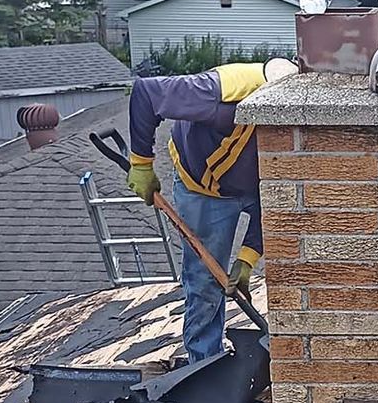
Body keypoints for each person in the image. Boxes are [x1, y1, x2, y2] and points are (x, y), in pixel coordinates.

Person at [125, 58, 298, 362]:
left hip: (255, 182)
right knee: (205, 281)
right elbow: (146, 92)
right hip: (204, 188)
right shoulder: (221, 92)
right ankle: (205, 361)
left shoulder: (296, 121)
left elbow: (278, 194)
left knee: (231, 273)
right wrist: (141, 164)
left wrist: (247, 258)